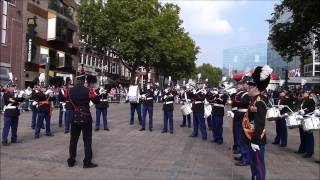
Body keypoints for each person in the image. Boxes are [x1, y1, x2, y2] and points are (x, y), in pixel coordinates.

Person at [242, 65, 272, 180]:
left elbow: (260, 124)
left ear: (256, 88)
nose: (248, 87)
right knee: (253, 163)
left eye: (250, 86)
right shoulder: (253, 101)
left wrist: (255, 141)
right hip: (251, 138)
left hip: (257, 140)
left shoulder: (260, 103)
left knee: (259, 164)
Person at [66, 73, 100, 168]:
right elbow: (97, 101)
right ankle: (87, 162)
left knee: (73, 140)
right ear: (84, 80)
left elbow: (63, 98)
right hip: (85, 117)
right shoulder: (88, 90)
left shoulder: (69, 91)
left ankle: (71, 160)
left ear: (77, 80)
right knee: (87, 140)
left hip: (74, 117)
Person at [296, 90, 316, 158]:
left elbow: (312, 110)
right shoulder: (303, 100)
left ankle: (309, 151)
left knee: (309, 136)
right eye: (303, 93)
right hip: (302, 119)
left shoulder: (311, 100)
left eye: (305, 93)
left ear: (308, 93)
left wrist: (304, 112)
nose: (303, 94)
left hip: (308, 119)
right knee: (302, 135)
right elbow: (301, 108)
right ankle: (302, 149)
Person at [190, 76, 207, 140]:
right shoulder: (196, 90)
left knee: (201, 122)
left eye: (200, 84)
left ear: (202, 84)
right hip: (195, 107)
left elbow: (201, 98)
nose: (198, 85)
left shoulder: (203, 91)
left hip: (200, 107)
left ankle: (204, 135)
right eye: (197, 84)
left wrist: (195, 94)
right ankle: (195, 133)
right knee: (195, 122)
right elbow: (191, 97)